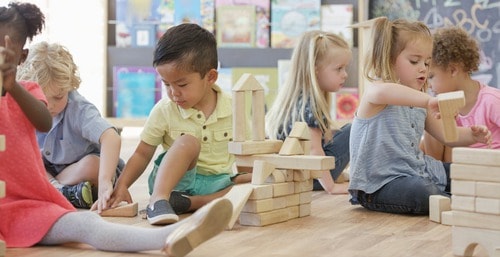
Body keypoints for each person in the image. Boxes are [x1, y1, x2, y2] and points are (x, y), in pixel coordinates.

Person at [0, 2, 232, 256]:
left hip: (28, 207)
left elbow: (43, 121)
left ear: (20, 59)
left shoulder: (29, 95)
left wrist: (12, 86)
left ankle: (169, 235)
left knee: (87, 224)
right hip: (21, 196)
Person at [109, 23, 251, 225]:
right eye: (166, 84)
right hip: (173, 183)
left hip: (217, 182)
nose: (173, 92)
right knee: (188, 142)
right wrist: (122, 185)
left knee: (255, 182)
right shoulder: (165, 109)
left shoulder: (234, 108)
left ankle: (191, 203)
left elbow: (248, 155)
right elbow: (142, 153)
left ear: (210, 77)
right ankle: (158, 200)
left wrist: (256, 182)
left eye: (182, 85)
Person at [348, 17, 492, 215]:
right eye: (415, 61)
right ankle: (462, 203)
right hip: (379, 186)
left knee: (468, 171)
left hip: (420, 171)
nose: (424, 68)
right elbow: (381, 92)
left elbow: (447, 136)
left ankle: (462, 198)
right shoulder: (376, 92)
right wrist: (428, 101)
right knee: (423, 192)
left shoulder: (422, 101)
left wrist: (472, 135)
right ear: (388, 59)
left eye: (427, 62)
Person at [17, 41, 125, 211]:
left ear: (69, 87)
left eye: (58, 97)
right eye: (41, 99)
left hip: (85, 174)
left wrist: (105, 181)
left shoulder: (79, 109)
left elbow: (111, 137)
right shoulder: (24, 107)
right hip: (46, 172)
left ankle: (52, 191)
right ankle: (60, 191)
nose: (50, 106)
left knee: (91, 165)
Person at [265, 30, 352, 194]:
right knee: (354, 130)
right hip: (308, 177)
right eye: (339, 69)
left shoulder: (297, 99)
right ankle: (329, 180)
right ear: (315, 69)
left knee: (342, 131)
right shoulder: (311, 104)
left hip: (295, 173)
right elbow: (314, 151)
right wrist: (332, 187)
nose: (345, 74)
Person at [420, 26, 500, 162]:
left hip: (490, 168)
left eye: (431, 76)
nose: (429, 85)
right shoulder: (440, 105)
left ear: (452, 70)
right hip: (455, 169)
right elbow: (431, 153)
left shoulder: (491, 101)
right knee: (433, 124)